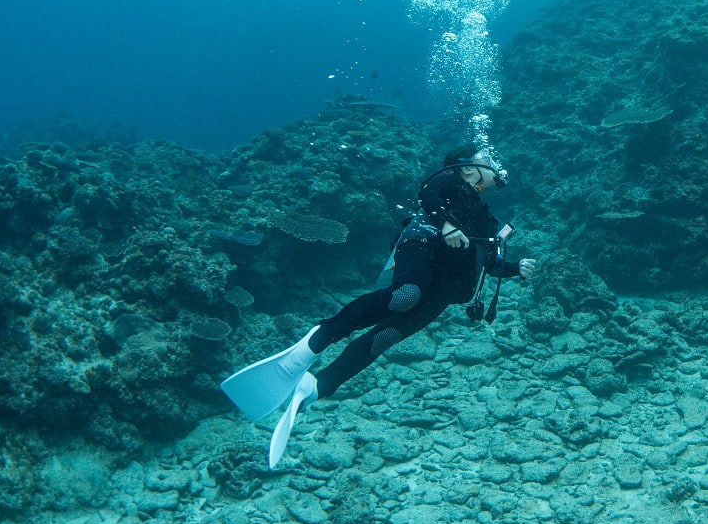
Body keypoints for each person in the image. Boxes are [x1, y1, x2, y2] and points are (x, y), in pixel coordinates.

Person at [221, 145, 536, 468]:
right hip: (423, 246)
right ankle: (320, 338)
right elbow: (427, 192)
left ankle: (317, 386)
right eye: (487, 161)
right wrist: (446, 225)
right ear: (466, 168)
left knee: (386, 337)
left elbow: (490, 265)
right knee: (404, 296)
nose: (494, 165)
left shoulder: (486, 217)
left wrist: (515, 268)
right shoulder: (447, 183)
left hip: (445, 290)